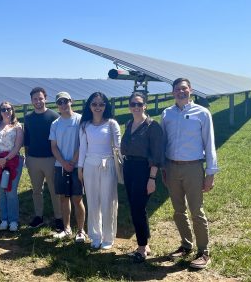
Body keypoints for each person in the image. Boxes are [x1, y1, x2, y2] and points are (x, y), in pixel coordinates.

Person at [161, 78, 218, 269]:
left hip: (193, 167)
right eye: (177, 89)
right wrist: (163, 168)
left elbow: (209, 144)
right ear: (172, 93)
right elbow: (164, 143)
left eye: (184, 88)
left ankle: (204, 251)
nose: (181, 92)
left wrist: (210, 173)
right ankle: (186, 245)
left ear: (191, 90)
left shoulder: (202, 113)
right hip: (172, 166)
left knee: (196, 211)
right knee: (178, 210)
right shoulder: (167, 114)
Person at [120, 92, 164, 262]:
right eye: (133, 104)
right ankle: (145, 244)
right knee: (136, 207)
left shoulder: (153, 126)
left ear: (145, 105)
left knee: (137, 209)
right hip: (129, 167)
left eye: (139, 104)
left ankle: (141, 248)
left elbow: (156, 155)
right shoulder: (129, 123)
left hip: (143, 169)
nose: (136, 107)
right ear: (129, 106)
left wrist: (152, 179)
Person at [77, 92, 120, 250]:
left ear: (106, 106)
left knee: (108, 201)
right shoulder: (85, 125)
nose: (98, 107)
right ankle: (95, 235)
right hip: (89, 165)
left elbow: (118, 148)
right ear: (89, 106)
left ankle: (108, 237)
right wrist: (80, 168)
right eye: (94, 104)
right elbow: (82, 148)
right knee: (93, 201)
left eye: (101, 104)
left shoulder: (112, 124)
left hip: (107, 165)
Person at [23, 87, 63, 231]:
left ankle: (59, 218)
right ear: (32, 101)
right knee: (36, 190)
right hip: (33, 159)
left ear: (45, 98)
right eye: (35, 99)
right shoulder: (28, 118)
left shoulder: (54, 117)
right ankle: (38, 216)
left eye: (40, 98)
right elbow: (26, 140)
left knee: (54, 190)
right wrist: (27, 157)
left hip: (50, 159)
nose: (38, 101)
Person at [49, 92, 87, 242]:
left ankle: (81, 230)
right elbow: (53, 146)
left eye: (65, 101)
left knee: (77, 198)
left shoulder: (80, 120)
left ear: (71, 101)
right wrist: (64, 163)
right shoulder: (55, 124)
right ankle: (67, 228)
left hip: (77, 166)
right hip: (60, 166)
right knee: (63, 198)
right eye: (60, 102)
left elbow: (82, 143)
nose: (63, 105)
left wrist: (72, 162)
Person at [0, 102, 24, 232]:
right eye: (3, 109)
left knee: (11, 192)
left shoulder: (17, 127)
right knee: (2, 191)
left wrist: (6, 159)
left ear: (12, 110)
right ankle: (4, 219)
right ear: (0, 112)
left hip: (13, 161)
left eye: (8, 109)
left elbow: (17, 145)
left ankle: (13, 220)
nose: (6, 111)